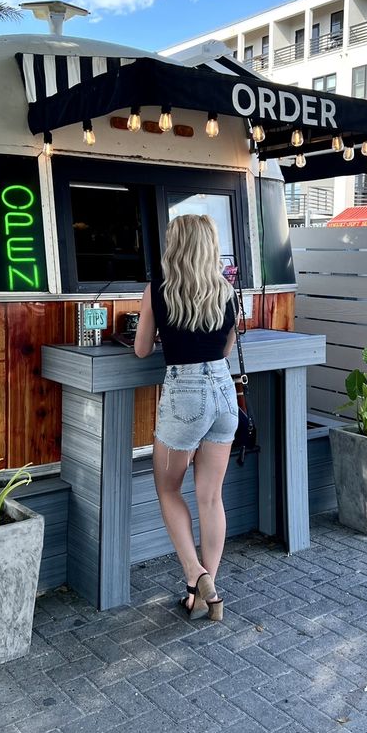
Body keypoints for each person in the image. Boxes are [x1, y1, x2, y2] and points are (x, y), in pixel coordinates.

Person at [134, 214, 238, 621]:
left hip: (185, 395)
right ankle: (204, 595)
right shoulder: (227, 291)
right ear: (210, 246)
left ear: (174, 246)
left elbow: (142, 350)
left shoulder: (158, 290)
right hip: (224, 392)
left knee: (167, 489)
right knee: (211, 497)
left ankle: (195, 576)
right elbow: (226, 349)